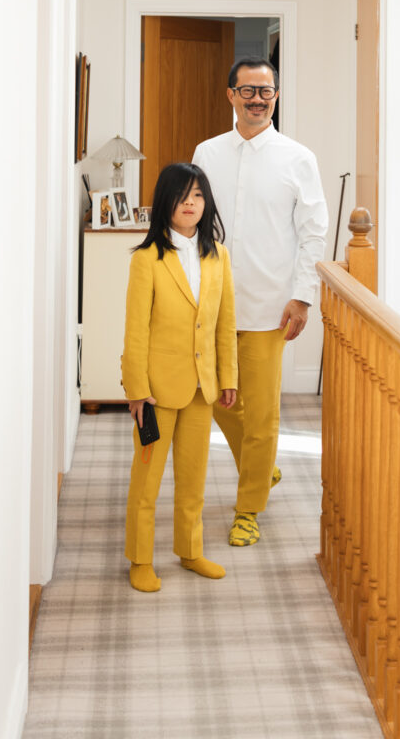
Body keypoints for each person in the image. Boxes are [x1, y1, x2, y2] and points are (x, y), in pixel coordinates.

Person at [192, 57, 328, 546]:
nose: (257, 99)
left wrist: (303, 298)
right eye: (247, 90)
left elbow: (314, 232)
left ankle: (248, 506)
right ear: (230, 95)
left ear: (275, 96)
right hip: (214, 302)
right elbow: (194, 225)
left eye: (266, 91)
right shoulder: (207, 153)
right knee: (214, 397)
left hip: (272, 304)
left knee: (263, 412)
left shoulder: (298, 158)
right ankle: (261, 466)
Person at [121, 163, 238, 591]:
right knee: (147, 480)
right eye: (182, 195)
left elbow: (225, 323)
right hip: (155, 391)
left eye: (198, 196)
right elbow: (135, 331)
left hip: (201, 387)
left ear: (206, 204)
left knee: (194, 477)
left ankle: (190, 551)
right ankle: (140, 558)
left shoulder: (219, 255)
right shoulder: (146, 260)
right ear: (165, 202)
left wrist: (229, 378)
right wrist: (136, 389)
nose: (190, 203)